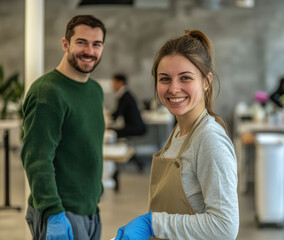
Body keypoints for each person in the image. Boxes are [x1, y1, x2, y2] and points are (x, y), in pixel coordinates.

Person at [114, 30, 239, 240]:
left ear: (206, 82)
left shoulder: (209, 139)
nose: (173, 88)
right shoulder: (179, 132)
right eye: (165, 79)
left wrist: (153, 224)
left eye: (185, 78)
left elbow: (225, 227)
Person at [21, 15, 106, 240]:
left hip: (89, 210)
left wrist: (95, 193)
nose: (89, 50)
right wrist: (53, 212)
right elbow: (37, 159)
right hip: (60, 211)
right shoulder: (48, 92)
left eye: (96, 44)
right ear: (65, 44)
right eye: (81, 42)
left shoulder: (95, 90)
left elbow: (87, 147)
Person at [108, 73, 146, 138]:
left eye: (114, 83)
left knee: (111, 132)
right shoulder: (126, 94)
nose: (112, 85)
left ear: (121, 83)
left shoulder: (124, 97)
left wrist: (106, 117)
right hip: (136, 127)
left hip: (135, 128)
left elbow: (117, 115)